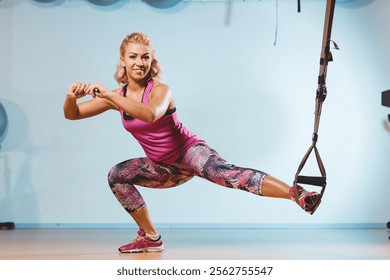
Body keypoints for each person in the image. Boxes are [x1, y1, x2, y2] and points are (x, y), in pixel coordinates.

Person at [63, 32, 321, 253]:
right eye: (133, 57)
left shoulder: (160, 90)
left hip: (189, 153)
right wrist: (71, 97)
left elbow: (150, 114)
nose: (139, 63)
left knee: (229, 174)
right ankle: (151, 238)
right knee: (117, 175)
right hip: (163, 167)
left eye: (145, 57)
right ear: (123, 61)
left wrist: (109, 95)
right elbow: (72, 114)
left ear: (152, 61)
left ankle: (296, 194)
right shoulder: (116, 96)